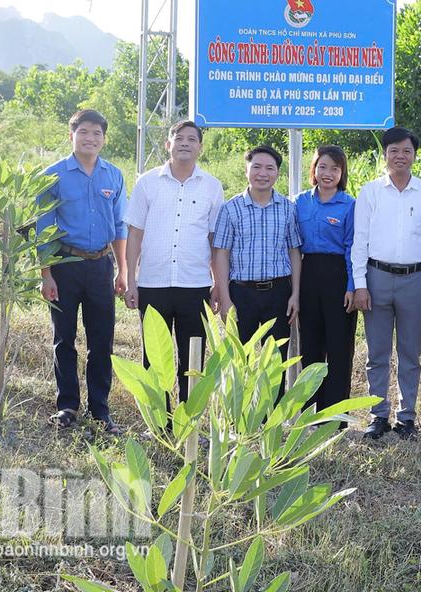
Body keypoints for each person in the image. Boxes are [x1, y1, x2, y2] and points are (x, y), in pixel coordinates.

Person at [37, 110, 127, 434]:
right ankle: (67, 406)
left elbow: (119, 226)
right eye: (84, 132)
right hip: (65, 265)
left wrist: (123, 271)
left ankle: (101, 410)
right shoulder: (53, 175)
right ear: (72, 134)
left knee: (102, 340)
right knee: (64, 338)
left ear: (104, 137)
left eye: (97, 133)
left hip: (102, 265)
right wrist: (46, 274)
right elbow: (43, 228)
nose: (90, 139)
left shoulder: (113, 176)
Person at [351, 126, 421, 441]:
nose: (400, 156)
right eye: (394, 151)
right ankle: (378, 416)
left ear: (415, 155)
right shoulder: (370, 192)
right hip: (376, 278)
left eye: (406, 150)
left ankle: (406, 418)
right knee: (377, 353)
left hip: (415, 280)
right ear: (385, 154)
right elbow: (359, 241)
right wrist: (360, 283)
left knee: (409, 352)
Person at [124, 120, 224, 403]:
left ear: (200, 148)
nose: (185, 143)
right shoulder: (147, 183)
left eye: (192, 139)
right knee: (154, 357)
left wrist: (217, 284)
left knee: (193, 361)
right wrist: (131, 280)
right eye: (178, 138)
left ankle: (188, 424)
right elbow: (134, 234)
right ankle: (158, 422)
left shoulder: (212, 187)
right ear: (168, 144)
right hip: (153, 283)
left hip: (195, 285)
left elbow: (215, 242)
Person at [212, 145, 302, 380]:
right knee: (240, 360)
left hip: (278, 293)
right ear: (246, 171)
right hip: (241, 294)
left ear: (277, 173)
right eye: (257, 167)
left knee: (276, 363)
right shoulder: (230, 209)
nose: (263, 173)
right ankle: (243, 417)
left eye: (270, 168)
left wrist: (295, 294)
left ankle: (273, 416)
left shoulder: (288, 208)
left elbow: (294, 251)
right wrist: (225, 298)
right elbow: (221, 253)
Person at [294, 145, 357, 417]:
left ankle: (334, 416)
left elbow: (354, 247)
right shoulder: (299, 202)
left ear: (341, 172)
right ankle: (309, 414)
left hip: (338, 276)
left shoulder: (350, 204)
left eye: (334, 168)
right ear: (314, 169)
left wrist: (352, 286)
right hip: (308, 275)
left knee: (339, 347)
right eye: (322, 167)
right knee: (310, 346)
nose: (327, 173)